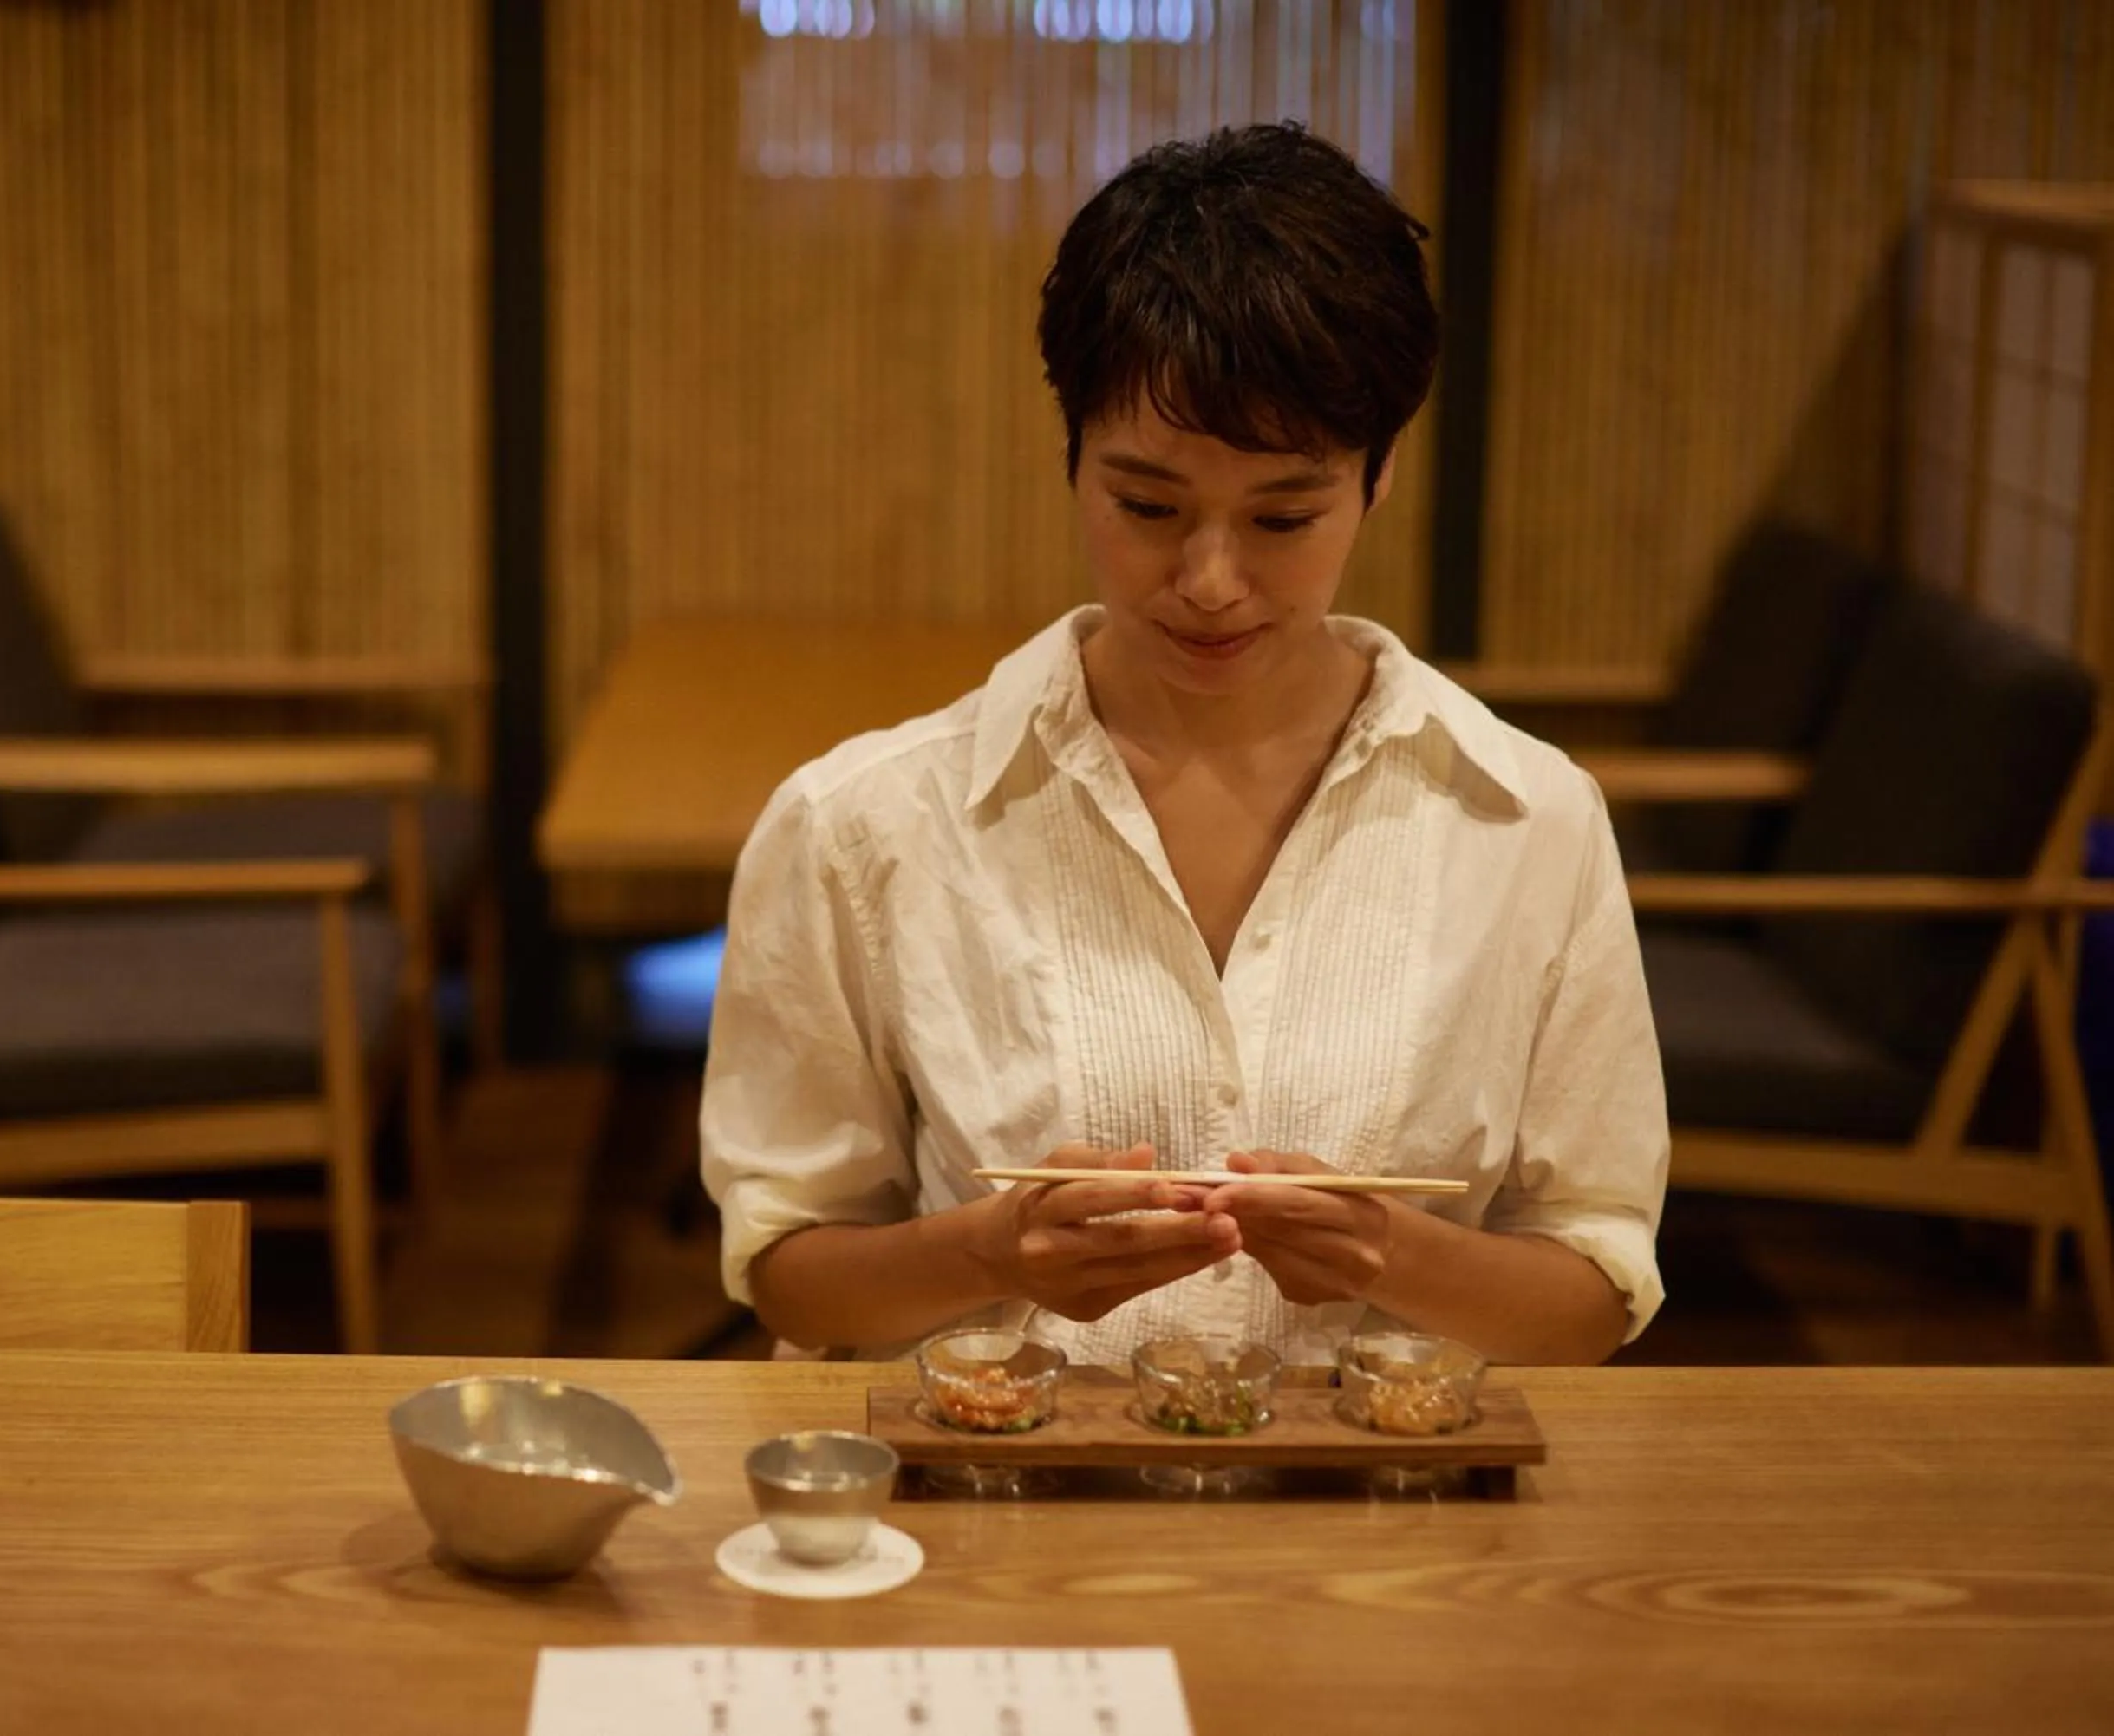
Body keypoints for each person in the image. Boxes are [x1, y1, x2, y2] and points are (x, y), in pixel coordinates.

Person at [700, 124, 1667, 1368]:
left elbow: (1594, 1284)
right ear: (1071, 462)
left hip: (1385, 1533)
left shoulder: (1528, 819)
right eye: (1147, 505)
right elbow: (791, 1276)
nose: (1212, 580)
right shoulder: (863, 822)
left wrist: (1390, 1255)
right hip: (1001, 1528)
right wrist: (990, 1253)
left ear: (1377, 480)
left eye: (1285, 514)